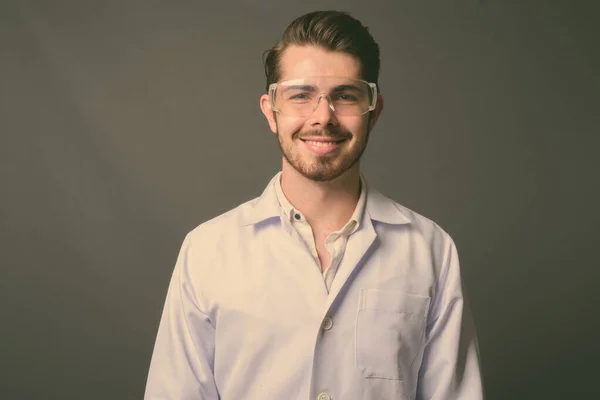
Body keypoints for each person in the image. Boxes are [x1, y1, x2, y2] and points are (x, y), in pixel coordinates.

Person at [144, 10, 484, 400]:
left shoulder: (430, 251)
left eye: (345, 95)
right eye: (301, 95)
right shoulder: (207, 252)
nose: (323, 117)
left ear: (374, 113)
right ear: (271, 111)